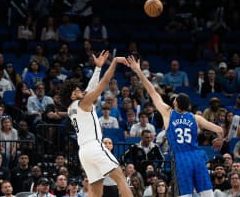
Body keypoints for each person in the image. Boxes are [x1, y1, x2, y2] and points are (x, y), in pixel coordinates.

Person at [127, 55, 224, 196]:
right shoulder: (195, 117)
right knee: (207, 193)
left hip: (181, 158)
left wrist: (138, 71)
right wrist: (220, 138)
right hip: (197, 156)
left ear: (176, 103)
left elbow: (152, 91)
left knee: (185, 194)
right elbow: (220, 130)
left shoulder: (168, 114)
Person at [59, 50, 133, 197]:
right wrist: (114, 62)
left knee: (96, 190)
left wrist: (98, 67)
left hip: (84, 152)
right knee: (120, 178)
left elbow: (90, 88)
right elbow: (101, 85)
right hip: (94, 145)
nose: (79, 90)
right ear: (72, 96)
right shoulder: (82, 103)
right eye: (76, 90)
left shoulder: (71, 108)